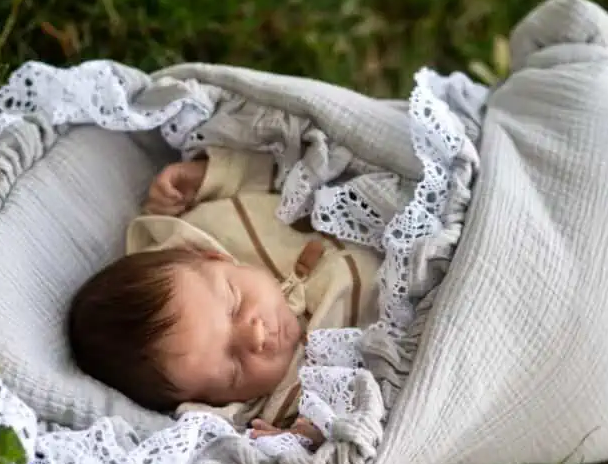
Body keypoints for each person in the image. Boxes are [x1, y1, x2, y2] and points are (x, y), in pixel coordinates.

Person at [68, 146, 381, 447]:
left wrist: (204, 176)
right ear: (215, 401)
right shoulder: (282, 403)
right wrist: (306, 437)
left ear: (215, 258)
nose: (258, 335)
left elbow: (285, 170)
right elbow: (355, 419)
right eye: (234, 368)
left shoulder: (220, 225)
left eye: (236, 303)